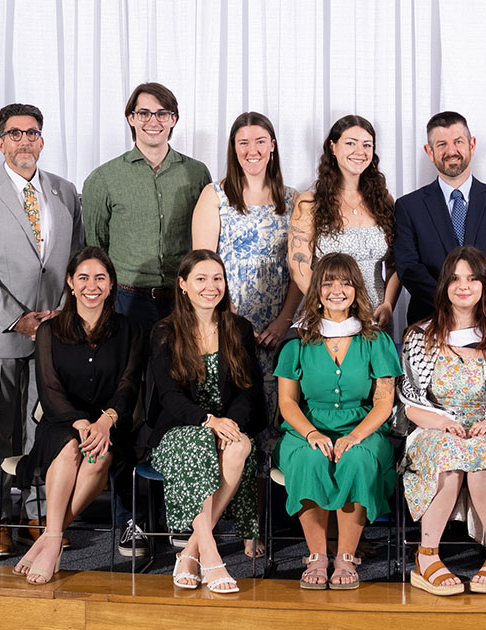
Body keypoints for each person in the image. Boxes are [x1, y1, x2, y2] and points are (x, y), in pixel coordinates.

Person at [83, 82, 211, 556]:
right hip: (126, 304)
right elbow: (94, 252)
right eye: (143, 113)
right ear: (130, 119)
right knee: (127, 406)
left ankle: (182, 515)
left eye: (162, 113)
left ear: (174, 119)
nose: (153, 121)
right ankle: (130, 519)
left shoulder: (197, 173)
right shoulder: (104, 179)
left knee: (180, 404)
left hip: (181, 305)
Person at [0, 103, 82, 557]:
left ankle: (37, 514)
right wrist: (18, 317)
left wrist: (61, 314)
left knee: (44, 429)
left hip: (53, 334)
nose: (24, 141)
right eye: (15, 133)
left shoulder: (65, 192)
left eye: (32, 133)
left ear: (42, 141)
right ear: (0, 142)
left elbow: (77, 262)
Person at [192, 111, 299, 557]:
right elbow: (203, 267)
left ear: (273, 145)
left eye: (260, 141)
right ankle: (223, 523)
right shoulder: (214, 195)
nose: (252, 150)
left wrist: (283, 321)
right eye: (243, 143)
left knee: (271, 426)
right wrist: (233, 322)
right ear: (233, 149)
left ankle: (260, 527)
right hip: (227, 330)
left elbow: (301, 270)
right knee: (233, 423)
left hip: (278, 334)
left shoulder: (294, 200)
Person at [399, 247, 486, 596]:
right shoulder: (420, 336)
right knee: (447, 453)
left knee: (484, 453)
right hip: (434, 427)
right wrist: (441, 424)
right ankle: (427, 556)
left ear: (484, 285)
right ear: (444, 285)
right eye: (455, 279)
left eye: (472, 278)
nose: (463, 286)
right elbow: (409, 405)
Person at [14, 247, 143, 584]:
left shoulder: (129, 330)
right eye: (83, 277)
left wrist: (105, 420)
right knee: (71, 447)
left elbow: (129, 384)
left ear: (111, 284)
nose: (92, 285)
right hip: (61, 422)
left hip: (111, 424)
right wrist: (81, 422)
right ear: (70, 282)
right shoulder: (49, 330)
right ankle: (54, 539)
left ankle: (48, 539)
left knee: (98, 457)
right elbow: (49, 389)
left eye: (100, 278)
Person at [274, 253, 401, 590]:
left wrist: (355, 436)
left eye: (345, 283)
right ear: (317, 291)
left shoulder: (375, 340)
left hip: (363, 427)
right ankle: (317, 556)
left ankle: (346, 557)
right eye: (328, 283)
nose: (337, 291)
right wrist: (312, 433)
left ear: (356, 290)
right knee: (309, 459)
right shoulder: (297, 341)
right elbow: (287, 403)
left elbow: (383, 402)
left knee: (357, 460)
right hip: (307, 428)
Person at [147, 250, 264, 594]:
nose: (210, 287)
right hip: (178, 428)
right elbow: (168, 395)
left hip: (226, 424)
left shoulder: (239, 328)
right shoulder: (164, 332)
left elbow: (249, 389)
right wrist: (208, 421)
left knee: (240, 445)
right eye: (200, 279)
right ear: (183, 284)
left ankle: (189, 552)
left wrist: (229, 423)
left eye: (217, 278)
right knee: (199, 442)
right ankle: (211, 554)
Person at [395, 110, 486, 324]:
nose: (451, 151)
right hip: (430, 318)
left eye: (458, 142)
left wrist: (477, 301)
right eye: (441, 144)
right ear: (429, 152)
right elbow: (408, 267)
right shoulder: (409, 207)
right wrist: (449, 303)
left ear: (472, 145)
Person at [290, 115, 399, 329]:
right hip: (328, 317)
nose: (360, 151)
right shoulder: (310, 203)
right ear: (332, 147)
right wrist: (331, 309)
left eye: (367, 145)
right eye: (350, 143)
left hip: (376, 317)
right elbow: (298, 267)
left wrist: (388, 304)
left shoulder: (384, 201)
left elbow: (395, 264)